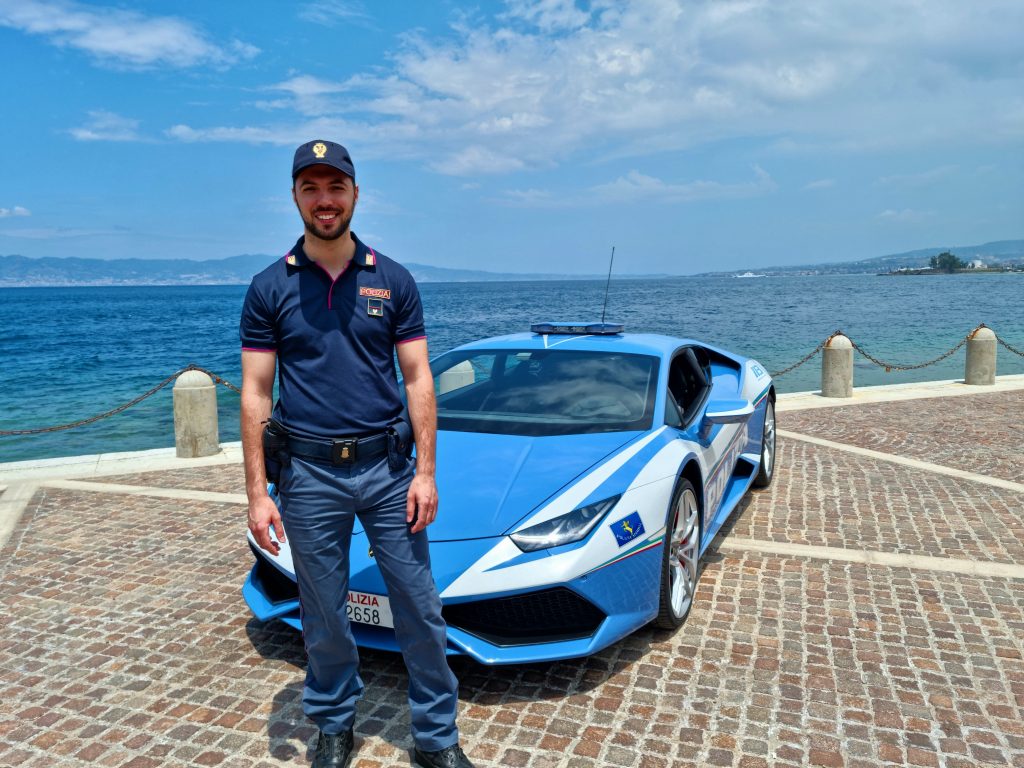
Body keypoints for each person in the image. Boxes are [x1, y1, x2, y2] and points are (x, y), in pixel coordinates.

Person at [239, 139, 475, 768]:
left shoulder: (393, 280)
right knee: (323, 611)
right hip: (308, 475)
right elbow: (256, 391)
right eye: (311, 188)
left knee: (419, 605)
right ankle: (334, 723)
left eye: (335, 187)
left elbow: (418, 378)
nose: (325, 200)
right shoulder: (269, 287)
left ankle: (437, 737)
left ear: (355, 194)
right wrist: (258, 493)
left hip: (388, 469)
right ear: (295, 196)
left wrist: (426, 473)